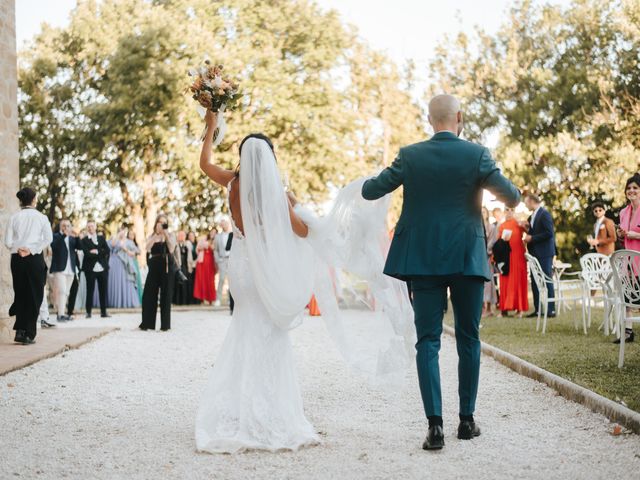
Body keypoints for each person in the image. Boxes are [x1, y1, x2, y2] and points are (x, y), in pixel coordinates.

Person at [361, 94, 520, 450]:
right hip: (466, 257)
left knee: (427, 342)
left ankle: (435, 427)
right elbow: (511, 196)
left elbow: (373, 190)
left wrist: (359, 185)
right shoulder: (477, 155)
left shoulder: (410, 155)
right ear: (459, 117)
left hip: (424, 260)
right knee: (469, 339)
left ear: (428, 119)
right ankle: (467, 421)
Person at [195, 111, 319, 453]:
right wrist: (296, 205)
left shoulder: (232, 183)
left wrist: (211, 126)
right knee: (270, 335)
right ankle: (268, 411)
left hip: (240, 268)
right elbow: (303, 230)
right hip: (262, 270)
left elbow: (204, 163)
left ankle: (236, 410)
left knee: (244, 329)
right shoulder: (274, 194)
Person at [4, 187, 53, 344]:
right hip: (34, 258)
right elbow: (48, 239)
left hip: (17, 258)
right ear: (34, 200)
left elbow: (7, 242)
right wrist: (31, 250)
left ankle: (19, 331)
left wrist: (19, 249)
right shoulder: (41, 217)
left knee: (20, 293)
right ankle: (29, 334)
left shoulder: (14, 217)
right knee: (34, 295)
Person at [139, 214, 177, 331]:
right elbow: (147, 248)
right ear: (156, 224)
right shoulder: (152, 236)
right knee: (148, 294)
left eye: (164, 223)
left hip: (166, 265)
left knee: (166, 295)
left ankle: (165, 326)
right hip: (154, 265)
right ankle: (147, 324)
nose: (161, 225)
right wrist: (156, 236)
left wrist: (165, 234)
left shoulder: (170, 235)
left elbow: (171, 249)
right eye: (159, 222)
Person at [614, 174, 640, 343]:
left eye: (635, 188)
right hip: (628, 259)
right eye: (629, 188)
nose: (631, 191)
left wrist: (636, 235)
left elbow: (634, 234)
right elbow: (623, 237)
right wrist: (620, 234)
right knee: (628, 295)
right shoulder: (624, 212)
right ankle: (628, 331)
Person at [523, 194, 556, 318]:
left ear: (532, 201)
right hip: (534, 253)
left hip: (545, 253)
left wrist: (532, 238)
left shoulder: (544, 214)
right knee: (535, 281)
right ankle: (538, 310)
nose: (525, 205)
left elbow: (549, 233)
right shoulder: (532, 216)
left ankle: (551, 310)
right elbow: (534, 232)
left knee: (547, 280)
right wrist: (527, 230)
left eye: (526, 202)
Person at [497, 207, 529, 317]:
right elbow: (499, 242)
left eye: (512, 209)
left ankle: (520, 309)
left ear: (514, 211)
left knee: (518, 281)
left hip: (518, 256)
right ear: (504, 211)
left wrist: (524, 225)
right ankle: (504, 309)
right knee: (505, 281)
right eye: (507, 209)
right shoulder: (501, 226)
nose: (509, 212)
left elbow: (529, 231)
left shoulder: (519, 224)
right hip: (506, 256)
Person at [50, 219, 80, 323]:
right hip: (59, 268)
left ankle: (62, 313)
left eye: (68, 225)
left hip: (70, 269)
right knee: (62, 291)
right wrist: (63, 235)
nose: (66, 227)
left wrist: (77, 236)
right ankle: (60, 315)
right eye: (64, 225)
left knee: (66, 292)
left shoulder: (72, 239)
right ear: (60, 227)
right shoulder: (56, 236)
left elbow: (80, 247)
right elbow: (54, 246)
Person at [81, 220, 110, 318]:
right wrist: (99, 252)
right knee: (90, 290)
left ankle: (104, 312)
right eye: (88, 226)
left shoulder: (101, 238)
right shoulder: (84, 240)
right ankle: (88, 312)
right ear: (87, 228)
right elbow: (87, 254)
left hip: (102, 268)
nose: (90, 228)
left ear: (95, 227)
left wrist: (96, 251)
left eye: (92, 226)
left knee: (103, 290)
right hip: (90, 269)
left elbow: (107, 250)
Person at [106, 225, 141, 308]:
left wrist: (127, 250)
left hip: (125, 264)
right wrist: (117, 236)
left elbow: (138, 252)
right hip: (114, 264)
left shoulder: (129, 242)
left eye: (123, 231)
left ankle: (127, 302)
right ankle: (115, 302)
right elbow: (111, 245)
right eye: (120, 231)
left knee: (126, 281)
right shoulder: (114, 239)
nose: (122, 232)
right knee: (115, 282)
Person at [193, 230, 217, 304]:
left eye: (214, 232)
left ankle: (211, 299)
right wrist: (205, 245)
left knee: (210, 280)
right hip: (202, 261)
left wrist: (209, 244)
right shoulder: (204, 240)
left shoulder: (216, 240)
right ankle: (202, 298)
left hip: (211, 261)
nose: (212, 234)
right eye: (211, 232)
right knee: (202, 279)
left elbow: (214, 248)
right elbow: (198, 249)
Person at [482, 207, 498, 317]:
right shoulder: (477, 226)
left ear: (487, 214)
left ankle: (489, 307)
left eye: (483, 212)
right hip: (478, 258)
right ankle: (483, 307)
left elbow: (493, 241)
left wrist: (485, 250)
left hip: (487, 258)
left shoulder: (492, 227)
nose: (482, 214)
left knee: (489, 282)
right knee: (481, 282)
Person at [173, 230, 196, 305]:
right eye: (180, 235)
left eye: (183, 236)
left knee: (186, 284)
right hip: (178, 266)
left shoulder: (187, 245)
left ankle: (186, 301)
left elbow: (190, 256)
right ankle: (177, 301)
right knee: (178, 284)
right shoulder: (175, 245)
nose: (181, 237)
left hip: (186, 266)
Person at [213, 219, 232, 306]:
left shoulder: (232, 235)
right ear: (221, 226)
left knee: (231, 280)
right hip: (222, 260)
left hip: (231, 259)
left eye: (226, 224)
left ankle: (230, 299)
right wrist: (218, 260)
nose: (224, 226)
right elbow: (215, 250)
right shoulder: (217, 237)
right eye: (223, 224)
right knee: (221, 279)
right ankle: (218, 299)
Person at [127, 229, 144, 304]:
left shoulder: (135, 244)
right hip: (128, 263)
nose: (131, 236)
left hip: (134, 262)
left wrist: (134, 252)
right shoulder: (126, 242)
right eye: (130, 234)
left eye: (133, 235)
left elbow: (139, 251)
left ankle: (139, 298)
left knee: (137, 279)